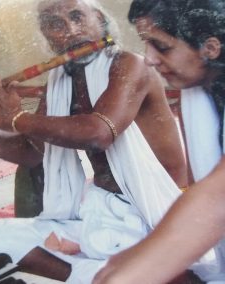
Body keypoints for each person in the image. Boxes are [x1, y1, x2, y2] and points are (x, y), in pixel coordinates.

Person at [0, 0, 189, 282]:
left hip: (158, 214)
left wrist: (15, 117)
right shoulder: (61, 79)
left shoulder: (130, 64)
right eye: (55, 24)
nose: (69, 30)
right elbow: (33, 152)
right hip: (101, 215)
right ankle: (99, 272)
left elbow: (99, 133)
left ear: (100, 21)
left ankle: (109, 272)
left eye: (77, 16)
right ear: (46, 36)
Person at [93, 0, 225, 283]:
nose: (149, 58)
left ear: (211, 47)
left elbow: (219, 197)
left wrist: (145, 264)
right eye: (145, 44)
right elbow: (203, 187)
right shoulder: (201, 89)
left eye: (161, 46)